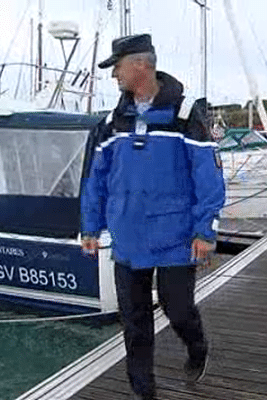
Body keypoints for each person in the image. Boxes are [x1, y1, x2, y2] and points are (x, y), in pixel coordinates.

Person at [80, 33, 225, 400]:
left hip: (176, 237)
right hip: (128, 239)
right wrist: (90, 225)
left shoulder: (184, 114)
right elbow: (94, 178)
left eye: (118, 66)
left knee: (179, 312)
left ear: (140, 64)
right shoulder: (112, 122)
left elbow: (207, 175)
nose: (114, 74)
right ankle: (144, 393)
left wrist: (205, 230)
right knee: (135, 326)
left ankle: (198, 347)